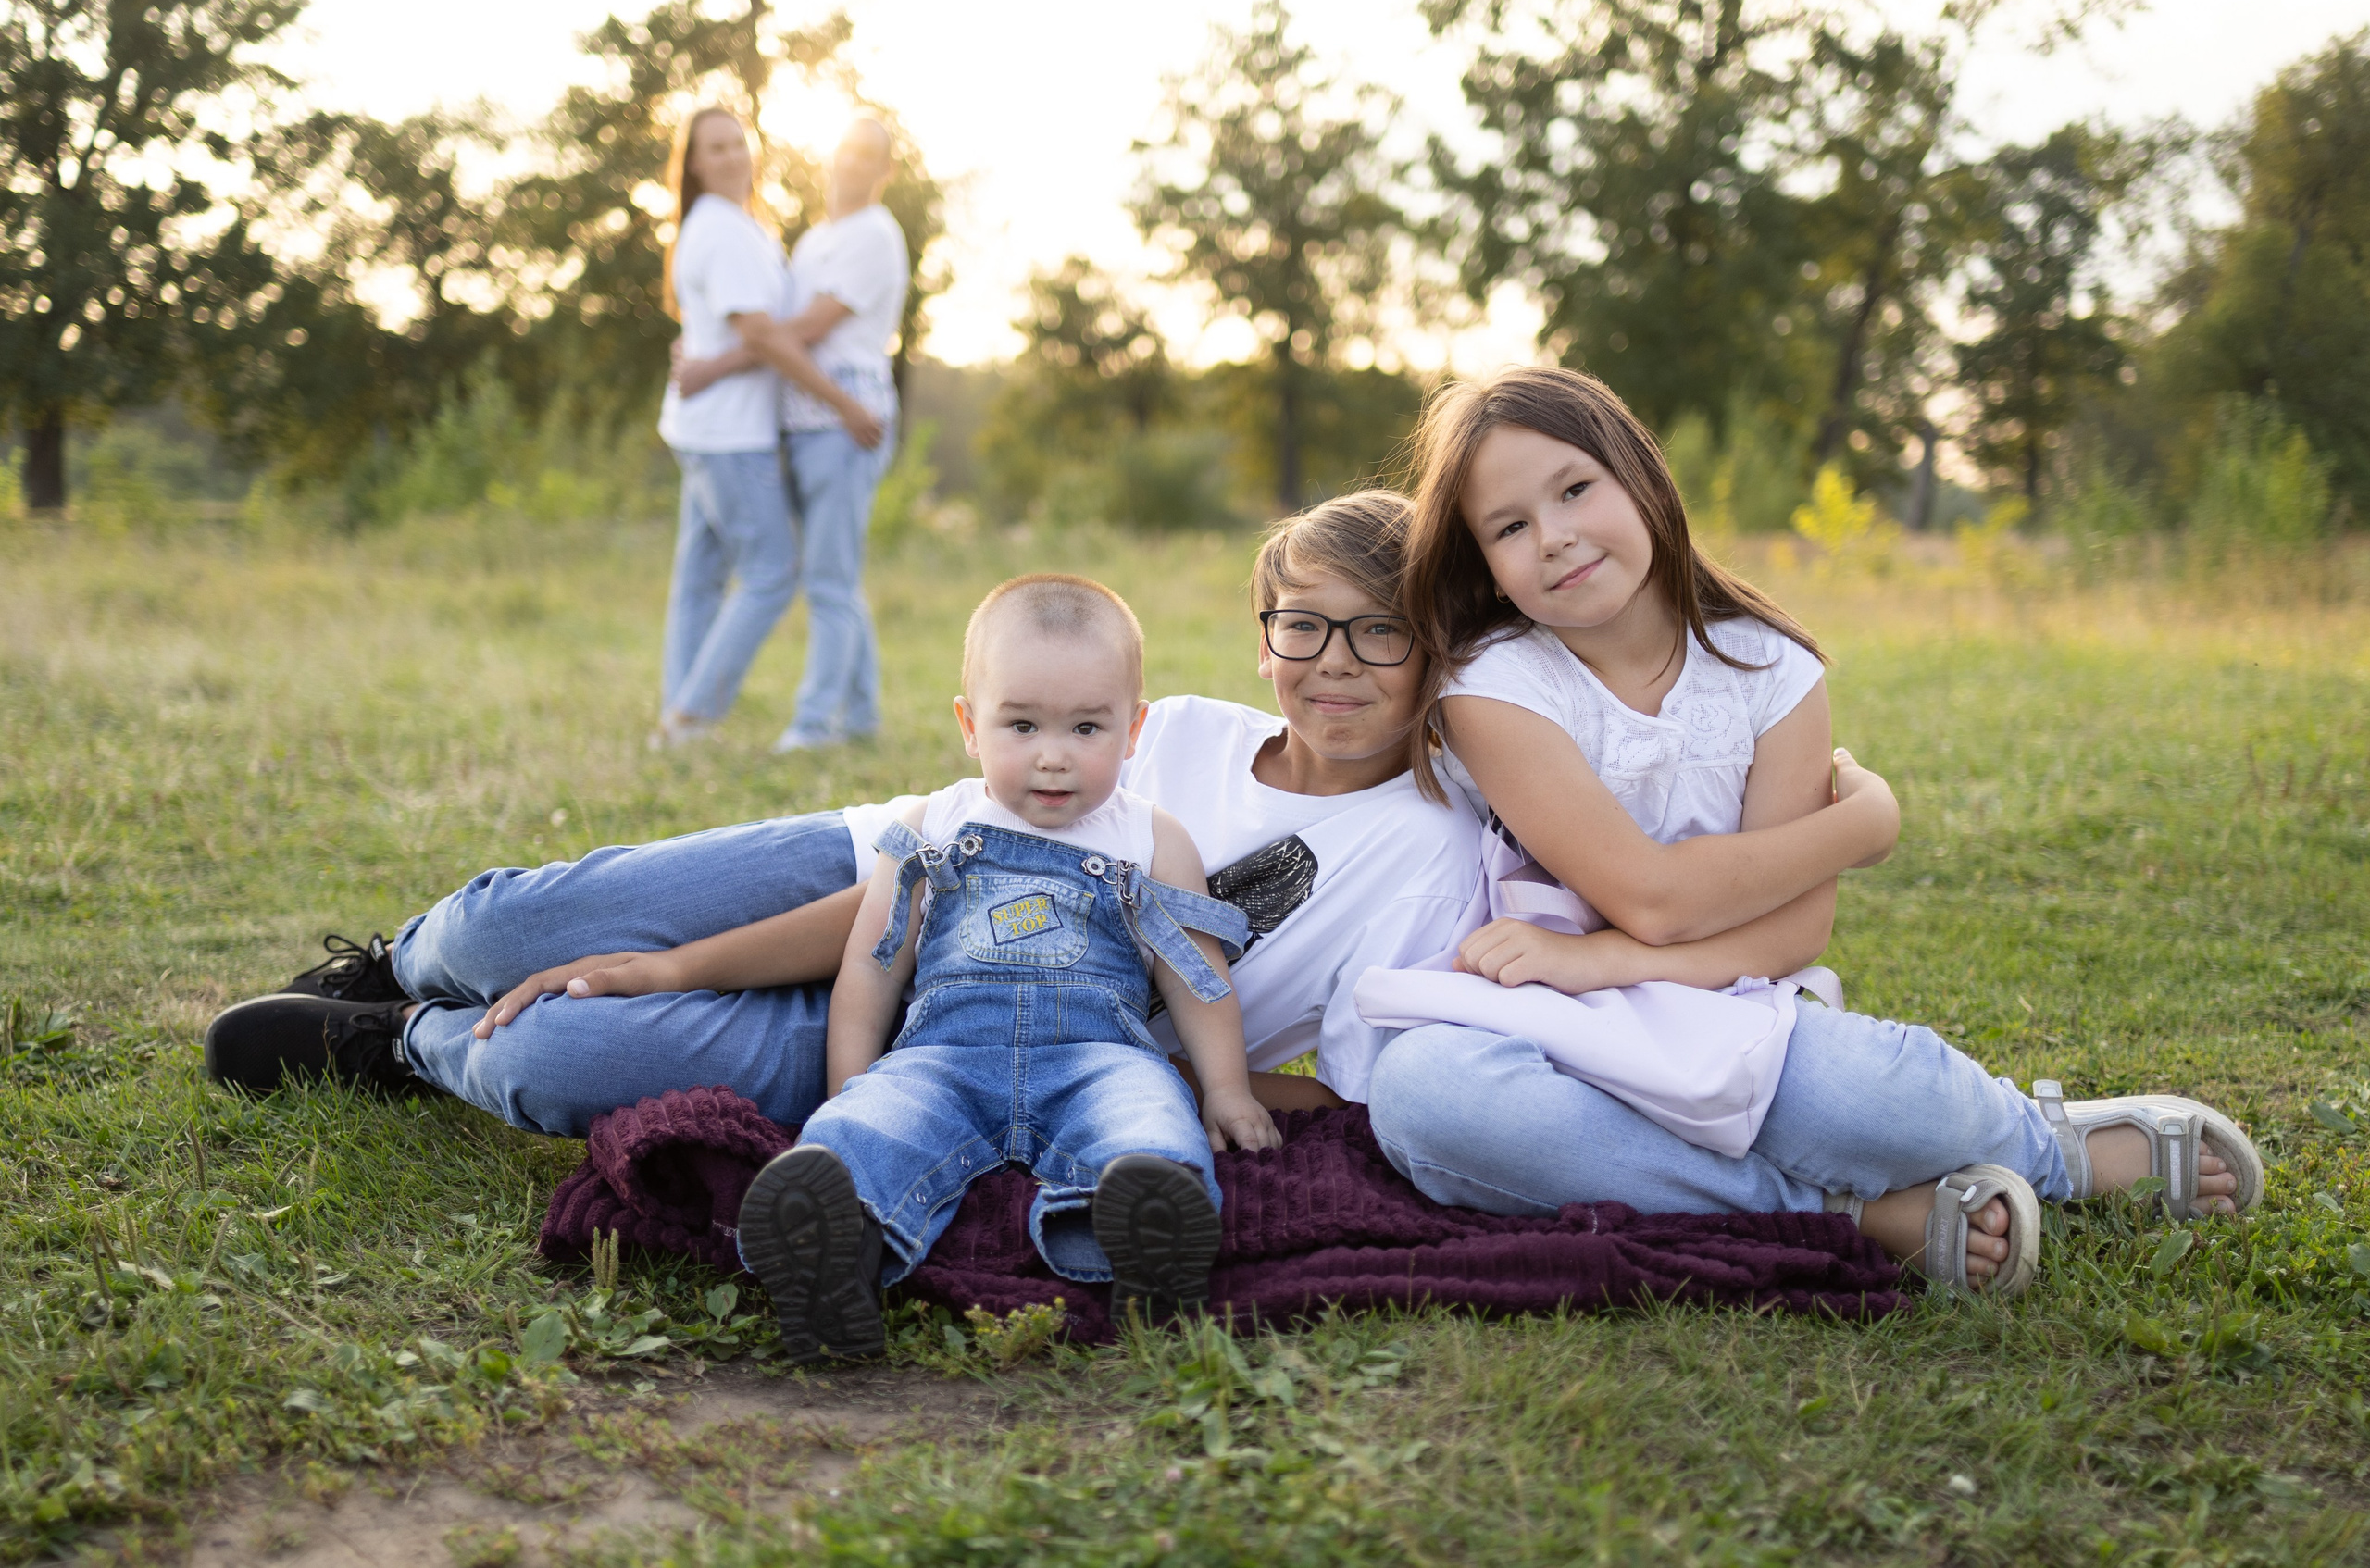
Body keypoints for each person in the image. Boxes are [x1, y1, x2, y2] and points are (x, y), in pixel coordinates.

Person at [1361, 367, 2262, 1294]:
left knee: (1879, 1105)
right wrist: (1862, 826)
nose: (1553, 537)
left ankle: (2046, 1146)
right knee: (1427, 1099)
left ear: (1639, 475)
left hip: (1725, 1007)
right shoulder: (1495, 682)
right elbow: (1653, 900)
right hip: (1532, 1018)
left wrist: (1602, 962)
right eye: (1508, 527)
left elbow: (1793, 934)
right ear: (1484, 562)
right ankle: (1850, 1218)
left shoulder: (1772, 669)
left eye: (1575, 489)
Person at [199, 493, 1478, 1143]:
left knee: (555, 1063)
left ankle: (408, 1045)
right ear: (1265, 639)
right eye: (1304, 622)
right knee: (524, 923)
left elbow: (1352, 1093)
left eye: (1384, 629)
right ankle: (410, 960)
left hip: (988, 1039)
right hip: (877, 872)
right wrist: (679, 962)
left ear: (1438, 648)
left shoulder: (1428, 850)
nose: (1339, 661)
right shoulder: (1176, 731)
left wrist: (1178, 1081)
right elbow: (911, 885)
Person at [737, 575, 1282, 1363]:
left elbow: (1195, 975)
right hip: (944, 1056)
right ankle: (832, 1244)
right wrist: (849, 1086)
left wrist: (1226, 1087)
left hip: (1099, 1059)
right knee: (876, 1125)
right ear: (969, 724)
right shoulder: (930, 825)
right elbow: (872, 965)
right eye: (1021, 724)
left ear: (1133, 730)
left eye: (1087, 727)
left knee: (1144, 1122)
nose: (1053, 756)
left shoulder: (1153, 836)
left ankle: (1146, 1233)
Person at [652, 107, 884, 752]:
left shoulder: (733, 226)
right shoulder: (723, 231)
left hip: (707, 424)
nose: (730, 156)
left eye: (738, 144)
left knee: (700, 575)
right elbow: (760, 332)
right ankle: (691, 715)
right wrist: (842, 402)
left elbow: (725, 328)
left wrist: (704, 363)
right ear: (694, 162)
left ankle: (681, 718)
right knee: (773, 572)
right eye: (714, 148)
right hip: (731, 432)